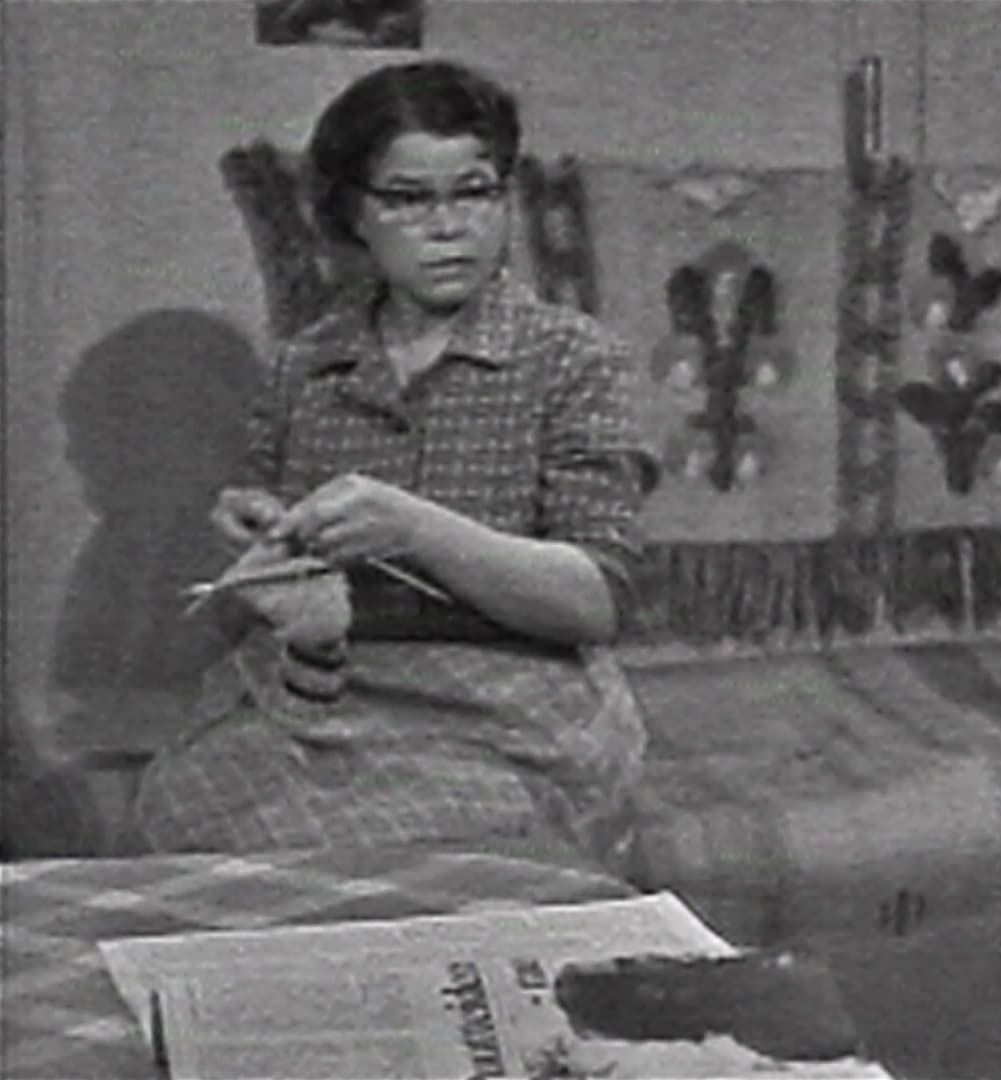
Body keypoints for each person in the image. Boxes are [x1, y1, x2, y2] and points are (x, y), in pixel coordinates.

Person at [133, 60, 655, 862]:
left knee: (363, 853)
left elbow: (597, 603)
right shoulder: (308, 366)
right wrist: (255, 544)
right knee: (179, 812)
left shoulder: (574, 359)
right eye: (408, 199)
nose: (448, 226)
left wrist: (413, 528)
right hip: (322, 697)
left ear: (505, 199)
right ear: (354, 215)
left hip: (510, 716)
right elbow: (254, 599)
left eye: (474, 191)